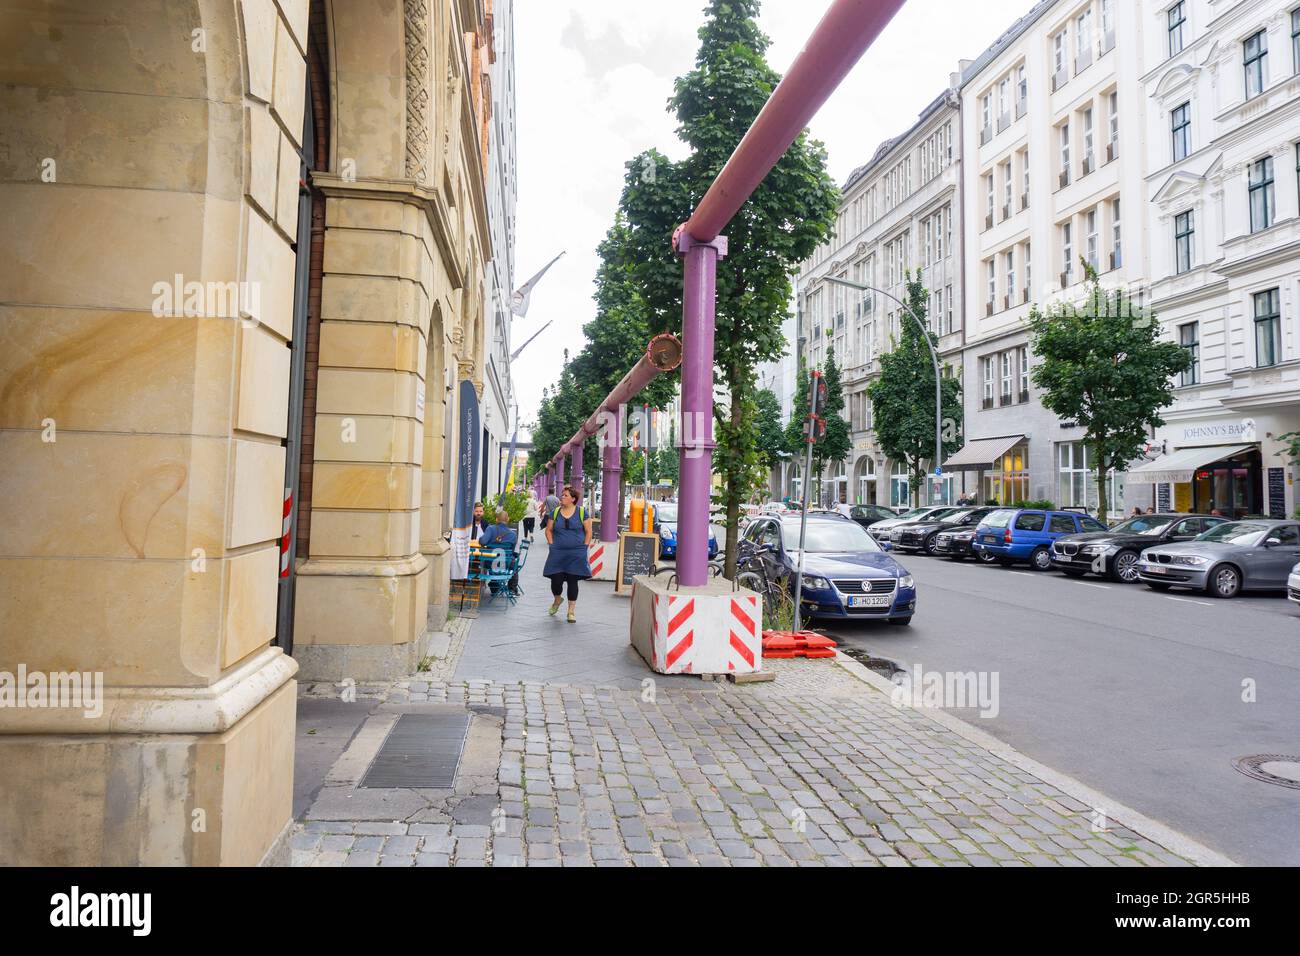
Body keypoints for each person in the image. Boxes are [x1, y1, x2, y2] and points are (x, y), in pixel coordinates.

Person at [543, 486, 592, 623]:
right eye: (562, 495)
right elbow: (548, 530)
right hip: (557, 552)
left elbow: (588, 531)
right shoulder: (555, 512)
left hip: (577, 552)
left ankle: (571, 611)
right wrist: (551, 544)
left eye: (565, 495)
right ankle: (557, 599)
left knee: (572, 580)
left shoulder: (582, 512)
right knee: (556, 580)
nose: (562, 497)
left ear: (573, 499)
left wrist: (584, 547)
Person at [480, 509, 520, 594]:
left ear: (496, 519)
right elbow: (512, 550)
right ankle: (512, 588)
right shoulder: (513, 535)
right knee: (514, 566)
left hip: (489, 563)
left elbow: (483, 542)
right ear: (508, 519)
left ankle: (494, 584)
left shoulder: (490, 529)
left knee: (493, 563)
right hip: (506, 563)